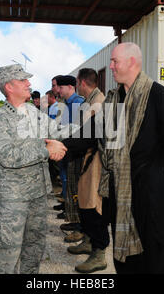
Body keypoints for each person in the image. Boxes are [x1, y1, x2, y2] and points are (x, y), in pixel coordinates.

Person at [64, 42, 164, 274]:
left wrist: (156, 165)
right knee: (125, 259)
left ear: (131, 62)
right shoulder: (114, 100)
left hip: (148, 192)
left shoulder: (156, 95)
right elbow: (92, 132)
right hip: (119, 191)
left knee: (152, 252)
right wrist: (63, 146)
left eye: (114, 61)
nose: (110, 66)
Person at [0, 63, 71, 274]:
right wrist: (46, 148)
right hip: (14, 198)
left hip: (37, 195)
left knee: (34, 249)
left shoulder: (33, 111)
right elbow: (7, 156)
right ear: (9, 86)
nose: (29, 83)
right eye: (23, 80)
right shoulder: (0, 120)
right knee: (9, 252)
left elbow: (56, 130)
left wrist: (88, 126)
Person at [65, 68, 109, 273]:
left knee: (94, 206)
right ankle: (90, 241)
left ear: (82, 82)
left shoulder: (98, 102)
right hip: (86, 157)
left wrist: (64, 146)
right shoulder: (91, 100)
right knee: (85, 202)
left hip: (95, 160)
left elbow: (88, 135)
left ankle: (99, 252)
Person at [57, 75, 85, 233]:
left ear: (70, 87)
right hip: (67, 149)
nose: (58, 91)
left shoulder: (77, 103)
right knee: (69, 184)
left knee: (76, 187)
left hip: (75, 152)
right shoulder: (67, 104)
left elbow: (77, 130)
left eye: (61, 87)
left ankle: (79, 224)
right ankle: (73, 218)